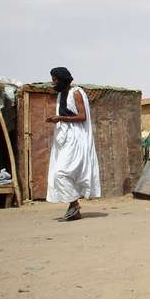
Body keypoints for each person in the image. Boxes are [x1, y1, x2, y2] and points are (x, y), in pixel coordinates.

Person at [46, 67, 101, 221]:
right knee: (59, 173)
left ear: (62, 79)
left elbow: (82, 117)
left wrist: (60, 118)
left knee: (61, 173)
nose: (53, 82)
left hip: (76, 138)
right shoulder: (61, 94)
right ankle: (74, 206)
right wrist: (56, 119)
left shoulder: (75, 92)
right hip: (64, 138)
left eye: (55, 79)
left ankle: (74, 204)